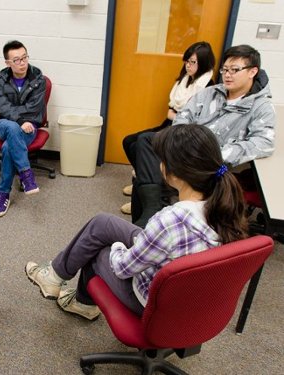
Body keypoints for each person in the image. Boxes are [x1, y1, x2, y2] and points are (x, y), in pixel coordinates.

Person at [25, 124, 248, 320]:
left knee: (98, 246)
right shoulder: (226, 205)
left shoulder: (168, 221)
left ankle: (81, 301)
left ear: (175, 174)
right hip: (191, 302)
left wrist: (117, 246)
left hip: (153, 304)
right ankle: (54, 276)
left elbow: (122, 268)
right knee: (103, 223)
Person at [130, 44, 275, 227]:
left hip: (210, 164)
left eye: (234, 70)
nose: (227, 75)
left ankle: (150, 214)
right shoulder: (211, 93)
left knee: (146, 171)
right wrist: (183, 142)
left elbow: (263, 142)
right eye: (225, 69)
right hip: (186, 149)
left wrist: (216, 154)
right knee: (145, 143)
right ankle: (150, 212)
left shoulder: (261, 106)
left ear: (252, 71)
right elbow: (183, 116)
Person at [120, 41, 215, 215]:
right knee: (129, 141)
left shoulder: (209, 88)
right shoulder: (185, 80)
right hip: (169, 123)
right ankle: (142, 179)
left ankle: (149, 192)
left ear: (204, 64)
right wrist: (173, 114)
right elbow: (172, 109)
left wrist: (175, 115)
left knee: (144, 143)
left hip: (183, 132)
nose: (188, 65)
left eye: (193, 62)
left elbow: (194, 120)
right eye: (187, 61)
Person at [0, 40, 46, 218]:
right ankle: (26, 175)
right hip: (7, 125)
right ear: (7, 63)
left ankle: (2, 193)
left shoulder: (38, 79)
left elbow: (33, 108)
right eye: (17, 60)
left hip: (29, 125)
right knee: (12, 127)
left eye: (24, 58)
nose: (22, 63)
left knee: (7, 147)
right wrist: (18, 119)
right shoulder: (2, 79)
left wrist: (6, 114)